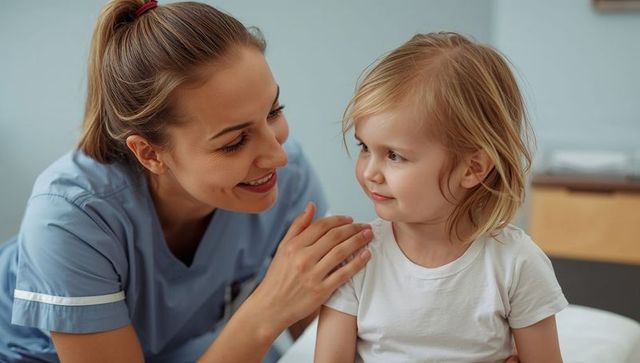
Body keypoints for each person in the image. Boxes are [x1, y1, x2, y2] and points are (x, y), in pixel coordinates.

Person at [0, 1, 375, 362]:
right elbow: (271, 315)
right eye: (234, 142)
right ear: (149, 153)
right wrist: (265, 313)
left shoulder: (286, 175)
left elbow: (320, 332)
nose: (278, 156)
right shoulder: (71, 218)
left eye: (273, 111)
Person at [315, 32, 568, 363]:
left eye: (394, 155)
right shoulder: (355, 260)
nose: (370, 172)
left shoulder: (516, 263)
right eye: (365, 148)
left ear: (472, 168)